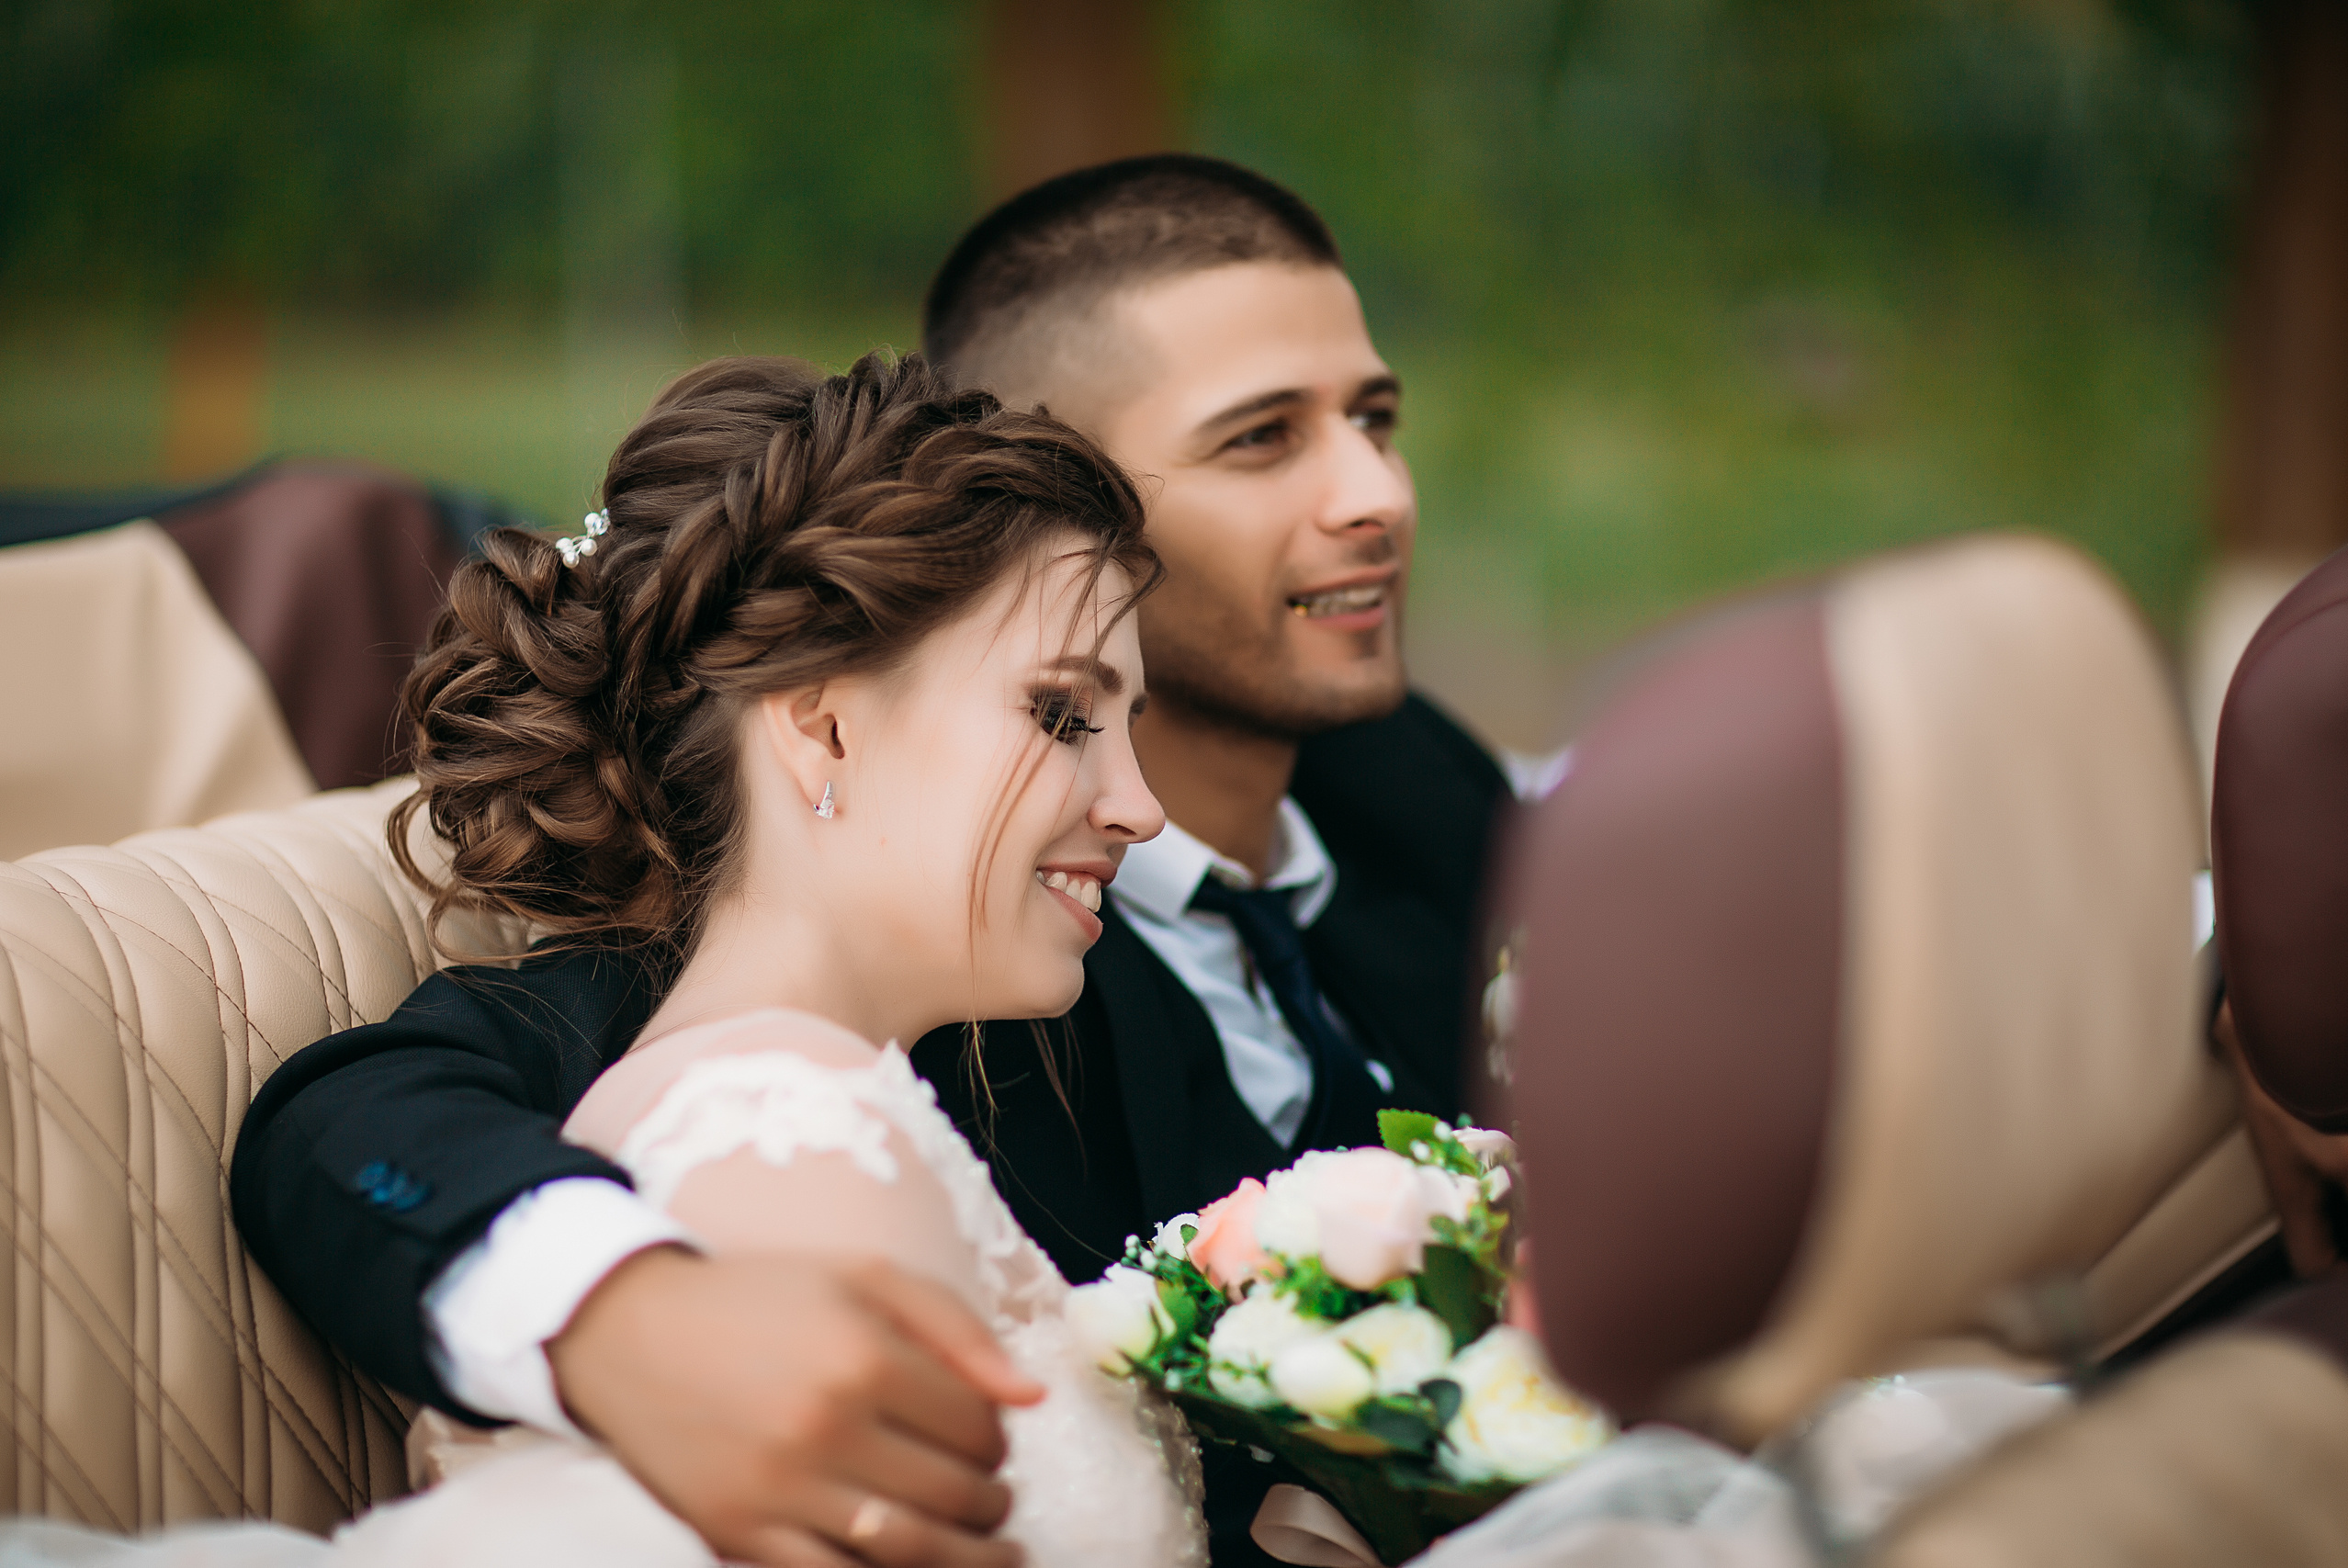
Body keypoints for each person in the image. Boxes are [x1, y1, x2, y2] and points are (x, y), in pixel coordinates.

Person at [231, 155, 1507, 1566]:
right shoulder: (863, 957)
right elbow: (355, 1118)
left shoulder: (1417, 783)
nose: (1376, 492)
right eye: (1262, 438)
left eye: (1376, 416)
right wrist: (614, 1310)